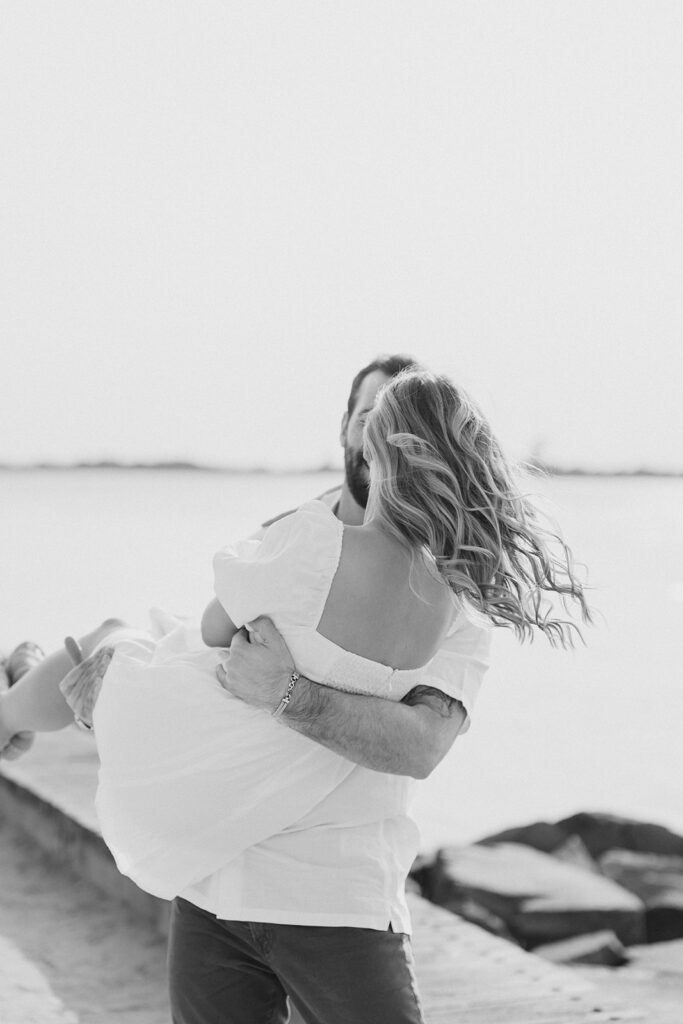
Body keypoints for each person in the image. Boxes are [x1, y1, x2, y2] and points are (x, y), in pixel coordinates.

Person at [0, 359, 589, 1024]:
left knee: (123, 650)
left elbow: (412, 741)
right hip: (218, 874)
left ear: (382, 448)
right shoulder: (448, 591)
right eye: (363, 413)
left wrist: (286, 688)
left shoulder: (316, 544)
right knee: (124, 653)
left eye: (378, 421)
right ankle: (22, 692)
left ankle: (22, 685)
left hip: (327, 891)